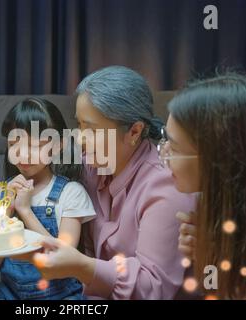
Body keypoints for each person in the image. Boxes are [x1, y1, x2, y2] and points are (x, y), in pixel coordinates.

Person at [34, 66, 196, 299]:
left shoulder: (167, 185)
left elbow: (153, 286)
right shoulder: (91, 164)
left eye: (91, 129)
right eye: (79, 125)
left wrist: (83, 266)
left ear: (134, 132)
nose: (80, 140)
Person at [165, 72, 246, 299]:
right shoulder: (215, 207)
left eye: (174, 147)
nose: (163, 154)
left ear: (219, 159)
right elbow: (211, 289)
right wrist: (207, 260)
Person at [0, 98, 96, 300]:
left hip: (61, 295)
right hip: (9, 294)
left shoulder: (71, 193)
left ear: (59, 145)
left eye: (36, 145)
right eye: (14, 143)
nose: (23, 154)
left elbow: (63, 262)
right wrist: (5, 214)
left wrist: (25, 211)